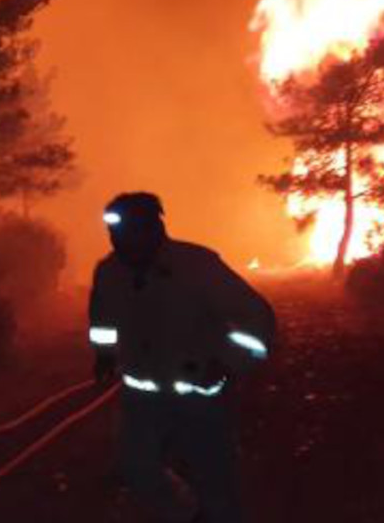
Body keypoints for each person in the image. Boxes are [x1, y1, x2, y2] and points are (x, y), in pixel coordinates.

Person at [88, 193, 276, 523]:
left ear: (154, 227)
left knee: (215, 481)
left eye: (129, 230)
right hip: (141, 398)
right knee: (138, 469)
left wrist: (228, 363)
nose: (119, 240)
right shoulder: (109, 273)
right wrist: (104, 356)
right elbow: (102, 320)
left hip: (198, 396)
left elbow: (256, 317)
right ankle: (187, 515)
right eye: (114, 232)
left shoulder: (197, 265)